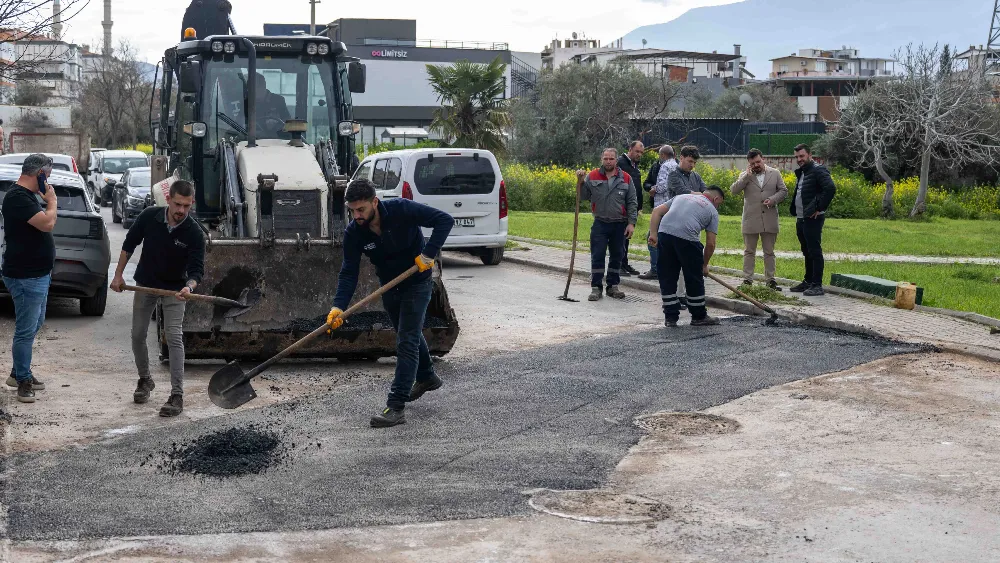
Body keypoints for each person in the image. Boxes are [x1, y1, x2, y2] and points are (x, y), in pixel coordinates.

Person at [328, 178, 453, 428]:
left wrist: (429, 253)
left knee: (406, 338)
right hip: (390, 285)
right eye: (352, 210)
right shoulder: (354, 232)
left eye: (361, 209)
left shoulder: (401, 210)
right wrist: (338, 306)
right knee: (408, 333)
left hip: (417, 281)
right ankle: (427, 376)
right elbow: (349, 271)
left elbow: (444, 220)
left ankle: (395, 406)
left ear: (375, 201)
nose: (357, 216)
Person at [111, 180, 205, 417]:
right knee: (137, 335)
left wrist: (189, 287)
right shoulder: (149, 217)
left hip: (175, 290)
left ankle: (177, 395)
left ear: (191, 203)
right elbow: (129, 244)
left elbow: (196, 271)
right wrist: (119, 275)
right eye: (177, 204)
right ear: (168, 200)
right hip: (146, 285)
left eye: (186, 205)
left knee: (173, 337)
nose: (181, 210)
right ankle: (145, 380)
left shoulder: (194, 233)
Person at [2, 154, 56, 403]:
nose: (49, 181)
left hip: (39, 273)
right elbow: (47, 223)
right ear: (41, 174)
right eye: (48, 175)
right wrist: (52, 201)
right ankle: (22, 379)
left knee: (36, 322)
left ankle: (18, 371)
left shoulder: (27, 196)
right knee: (25, 330)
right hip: (25, 275)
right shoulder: (17, 198)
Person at [648, 187, 726, 328]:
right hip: (688, 240)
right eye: (719, 204)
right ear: (716, 199)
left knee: (667, 276)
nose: (718, 206)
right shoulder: (712, 210)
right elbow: (711, 244)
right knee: (693, 278)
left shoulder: (681, 197)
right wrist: (703, 265)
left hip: (664, 234)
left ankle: (670, 318)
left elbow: (657, 211)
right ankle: (698, 316)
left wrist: (653, 234)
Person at [576, 148, 638, 302]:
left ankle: (613, 286)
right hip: (600, 224)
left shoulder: (626, 178)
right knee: (597, 256)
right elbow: (583, 196)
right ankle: (596, 288)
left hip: (620, 224)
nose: (608, 161)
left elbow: (632, 202)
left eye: (611, 159)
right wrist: (581, 181)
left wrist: (631, 223)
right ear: (601, 159)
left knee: (617, 256)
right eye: (606, 159)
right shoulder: (593, 176)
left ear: (616, 160)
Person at [731, 148, 788, 290]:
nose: (756, 165)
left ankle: (770, 280)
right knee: (749, 251)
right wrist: (746, 177)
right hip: (751, 219)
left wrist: (773, 199)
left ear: (763, 159)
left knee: (769, 252)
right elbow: (733, 191)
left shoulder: (775, 173)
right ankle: (747, 280)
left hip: (769, 218)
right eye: (752, 163)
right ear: (748, 164)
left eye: (758, 161)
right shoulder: (745, 176)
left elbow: (783, 191)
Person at [789, 144, 836, 296]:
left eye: (801, 156)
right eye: (796, 157)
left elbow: (830, 188)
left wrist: (818, 207)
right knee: (806, 251)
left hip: (813, 218)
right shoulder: (803, 172)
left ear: (809, 155)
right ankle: (808, 281)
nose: (799, 159)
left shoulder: (818, 169)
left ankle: (817, 284)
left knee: (814, 251)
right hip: (801, 217)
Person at [639, 145, 677, 280]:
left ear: (662, 155)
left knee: (652, 237)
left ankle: (655, 269)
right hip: (674, 207)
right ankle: (668, 268)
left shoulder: (665, 166)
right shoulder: (676, 165)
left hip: (661, 207)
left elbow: (661, 186)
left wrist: (653, 189)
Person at [616, 141, 644, 277]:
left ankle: (624, 262)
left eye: (641, 153)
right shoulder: (621, 163)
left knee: (627, 236)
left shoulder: (634, 166)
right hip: (622, 206)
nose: (639, 154)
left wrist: (639, 206)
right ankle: (618, 265)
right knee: (620, 236)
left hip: (632, 207)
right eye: (637, 151)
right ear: (630, 149)